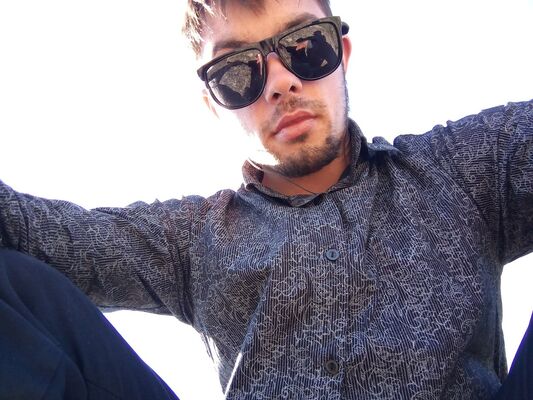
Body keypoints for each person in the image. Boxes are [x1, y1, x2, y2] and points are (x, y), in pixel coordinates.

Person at [0, 0, 531, 399]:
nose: (281, 82)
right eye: (238, 71)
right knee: (14, 286)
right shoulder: (194, 240)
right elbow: (27, 228)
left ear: (341, 55)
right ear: (215, 103)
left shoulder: (455, 170)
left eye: (306, 46)